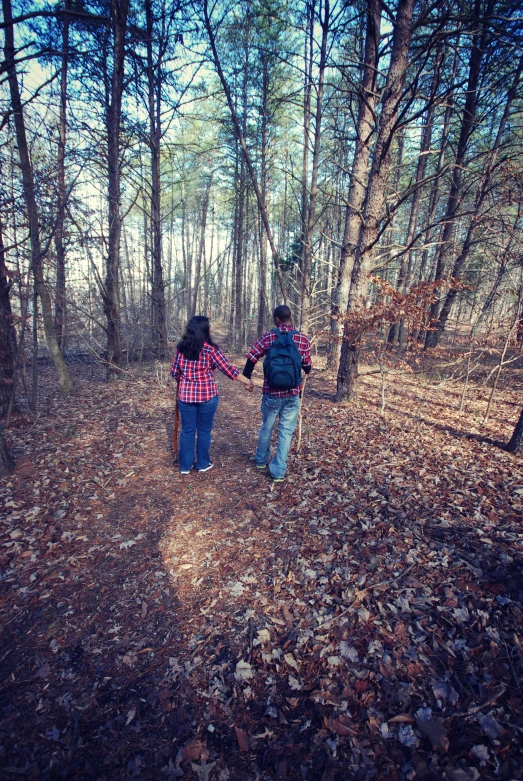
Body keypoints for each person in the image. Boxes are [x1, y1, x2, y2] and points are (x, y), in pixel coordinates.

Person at [171, 316, 253, 474]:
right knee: (203, 430)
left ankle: (185, 466)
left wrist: (186, 379)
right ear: (205, 330)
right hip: (207, 397)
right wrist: (247, 381)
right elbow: (228, 370)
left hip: (186, 397)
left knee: (187, 430)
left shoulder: (181, 349)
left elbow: (175, 373)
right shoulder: (211, 349)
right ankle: (202, 463)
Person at [243, 305, 312, 482]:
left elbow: (252, 357)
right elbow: (308, 367)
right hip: (292, 393)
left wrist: (246, 378)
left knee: (267, 427)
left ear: (276, 319)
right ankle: (279, 471)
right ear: (291, 317)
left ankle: (261, 460)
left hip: (271, 392)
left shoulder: (268, 337)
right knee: (285, 432)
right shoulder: (302, 339)